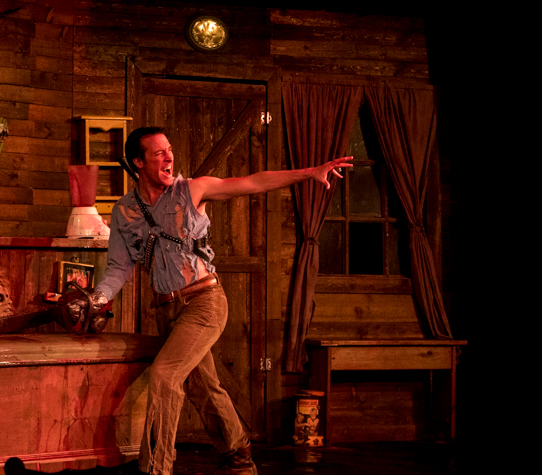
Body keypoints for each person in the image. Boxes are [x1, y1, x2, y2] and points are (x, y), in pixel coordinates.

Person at [68, 126, 352, 475]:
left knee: (164, 376)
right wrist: (95, 299)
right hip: (166, 310)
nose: (169, 157)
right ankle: (239, 456)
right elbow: (118, 268)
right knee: (202, 386)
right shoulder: (124, 211)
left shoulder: (192, 190)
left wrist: (309, 173)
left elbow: (253, 182)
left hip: (204, 301)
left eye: (169, 150)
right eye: (158, 153)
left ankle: (156, 469)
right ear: (138, 162)